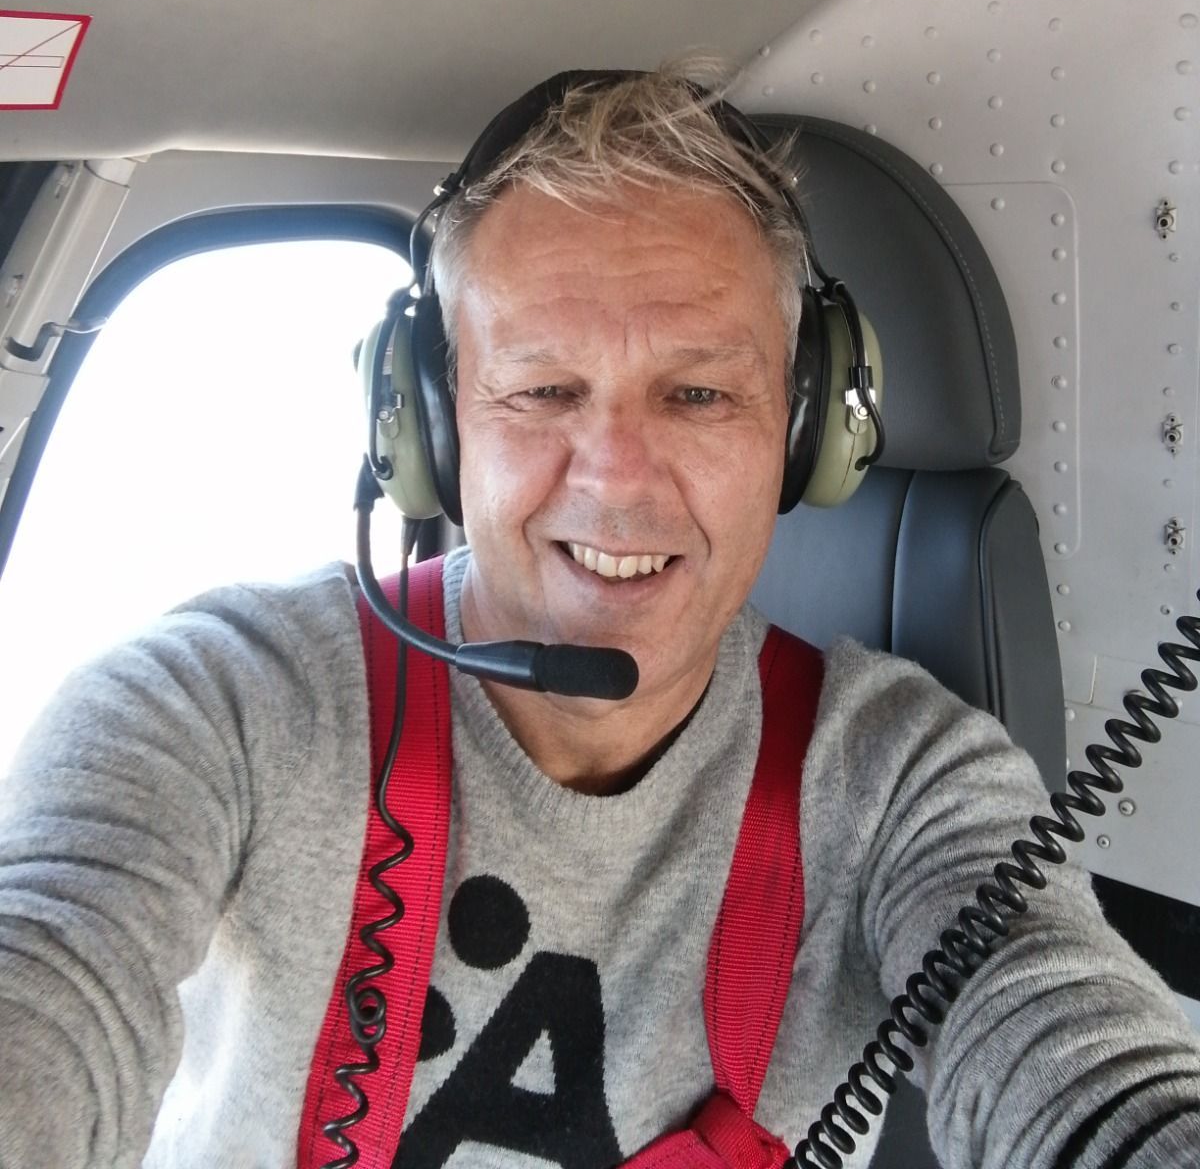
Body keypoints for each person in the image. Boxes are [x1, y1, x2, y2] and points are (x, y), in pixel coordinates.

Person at [1, 63, 1198, 1169]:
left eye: (700, 392)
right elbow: (49, 970)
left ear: (808, 429)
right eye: (541, 390)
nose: (618, 479)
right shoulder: (213, 703)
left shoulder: (900, 782)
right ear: (427, 427)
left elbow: (1070, 1043)